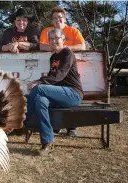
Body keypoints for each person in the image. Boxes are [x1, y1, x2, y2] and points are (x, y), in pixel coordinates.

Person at [25, 29, 84, 156]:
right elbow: (51, 77)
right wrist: (38, 81)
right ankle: (48, 142)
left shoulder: (68, 54)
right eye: (50, 38)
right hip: (58, 95)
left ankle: (23, 121)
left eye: (56, 38)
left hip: (72, 94)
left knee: (39, 89)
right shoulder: (53, 57)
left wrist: (38, 83)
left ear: (63, 40)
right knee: (40, 101)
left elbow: (59, 75)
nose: (53, 41)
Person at [40, 6, 86, 136]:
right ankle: (57, 125)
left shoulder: (73, 31)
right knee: (54, 93)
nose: (57, 20)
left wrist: (63, 48)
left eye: (60, 17)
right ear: (51, 20)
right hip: (53, 65)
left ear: (65, 19)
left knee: (67, 90)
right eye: (54, 18)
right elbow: (42, 45)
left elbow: (82, 46)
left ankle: (71, 126)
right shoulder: (46, 31)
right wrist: (55, 47)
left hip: (69, 73)